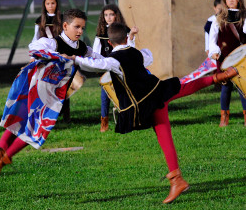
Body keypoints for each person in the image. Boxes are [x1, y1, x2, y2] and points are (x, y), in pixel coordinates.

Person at [63, 22, 238, 203]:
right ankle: (218, 77)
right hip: (157, 91)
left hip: (146, 103)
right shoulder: (136, 53)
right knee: (182, 87)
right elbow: (146, 57)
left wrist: (74, 58)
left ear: (110, 43)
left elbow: (96, 64)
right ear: (125, 38)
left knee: (166, 132)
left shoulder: (113, 60)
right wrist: (132, 39)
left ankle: (177, 180)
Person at [0, 9, 104, 188]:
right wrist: (59, 57)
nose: (80, 31)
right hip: (39, 92)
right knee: (33, 129)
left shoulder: (82, 48)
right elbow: (35, 49)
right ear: (65, 25)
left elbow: (99, 61)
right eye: (76, 27)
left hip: (53, 96)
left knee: (26, 124)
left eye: (83, 28)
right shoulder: (53, 42)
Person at [93, 4, 139, 132]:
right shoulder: (101, 34)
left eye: (111, 14)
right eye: (106, 15)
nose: (108, 17)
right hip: (107, 68)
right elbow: (96, 53)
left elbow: (130, 48)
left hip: (121, 68)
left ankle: (127, 119)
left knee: (123, 95)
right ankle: (104, 121)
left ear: (116, 15)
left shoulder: (124, 30)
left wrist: (131, 36)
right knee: (105, 95)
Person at [209, 0, 246, 127]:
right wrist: (214, 52)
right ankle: (224, 117)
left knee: (243, 88)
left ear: (239, 0)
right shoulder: (219, 18)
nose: (231, 0)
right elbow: (212, 40)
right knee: (226, 87)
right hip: (224, 58)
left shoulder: (244, 16)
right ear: (225, 0)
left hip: (241, 59)